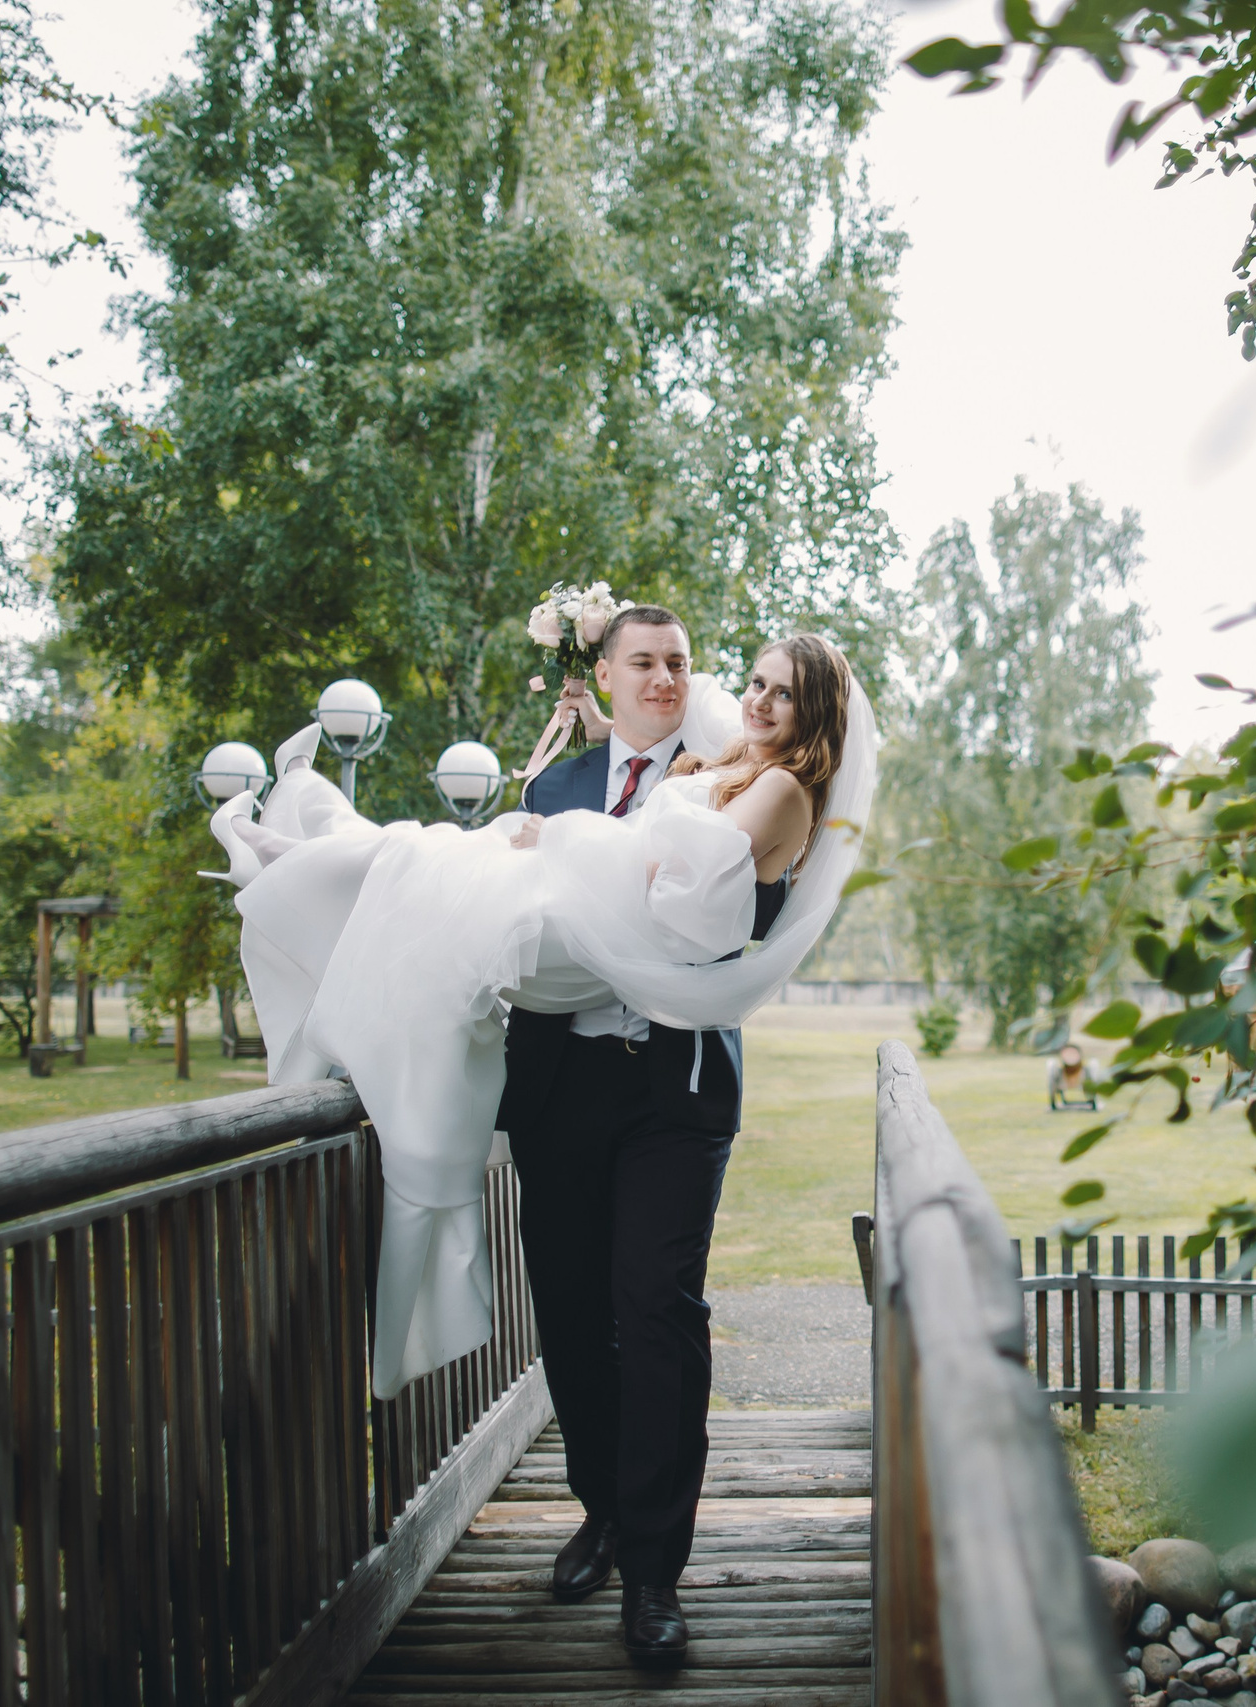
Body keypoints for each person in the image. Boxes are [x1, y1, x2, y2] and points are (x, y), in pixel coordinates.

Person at [203, 617, 872, 1669]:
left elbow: (677, 874)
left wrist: (579, 833)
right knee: (568, 1305)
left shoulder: (750, 773)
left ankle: (654, 1571)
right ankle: (602, 1509)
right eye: (644, 663)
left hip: (674, 1086)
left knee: (656, 1307)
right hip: (564, 1083)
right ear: (603, 673)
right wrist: (575, 767)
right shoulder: (573, 779)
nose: (703, 687)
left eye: (684, 664)